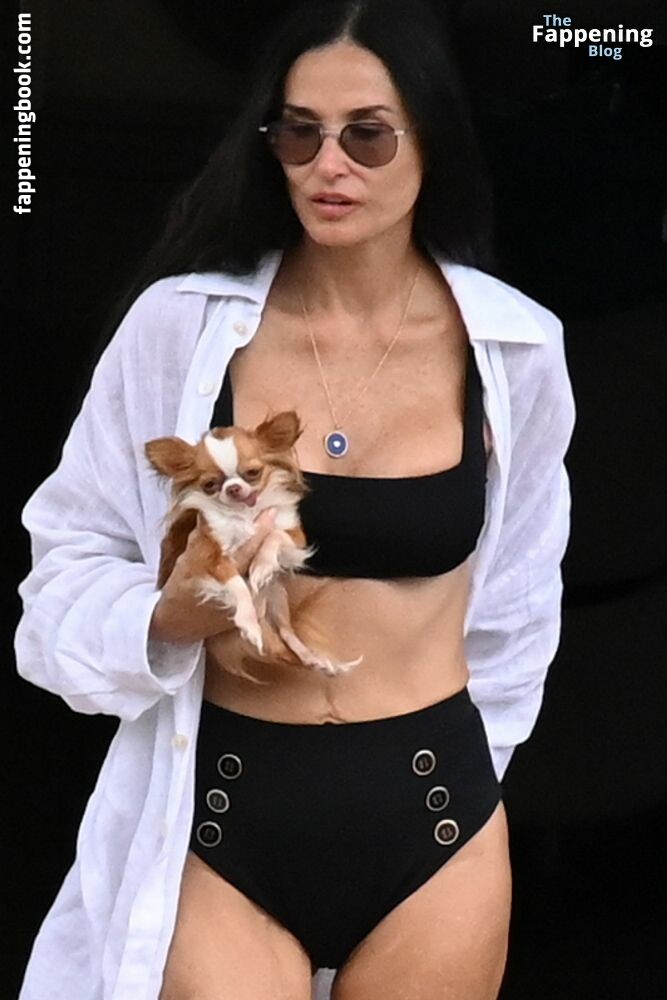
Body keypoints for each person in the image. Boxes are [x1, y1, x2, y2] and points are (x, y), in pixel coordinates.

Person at [14, 1, 576, 998]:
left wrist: (477, 770)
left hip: (432, 810)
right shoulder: (179, 328)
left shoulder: (515, 349)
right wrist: (164, 618)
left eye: (367, 135)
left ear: (431, 142)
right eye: (299, 133)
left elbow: (518, 607)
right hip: (225, 806)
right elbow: (65, 555)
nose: (329, 165)